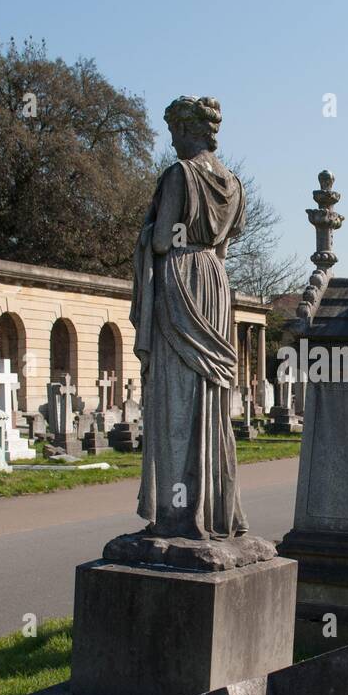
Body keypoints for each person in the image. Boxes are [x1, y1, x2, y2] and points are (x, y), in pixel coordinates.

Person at [131, 96, 247, 540]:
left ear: (189, 129)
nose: (172, 139)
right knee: (210, 400)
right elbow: (222, 248)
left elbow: (161, 241)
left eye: (175, 130)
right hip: (214, 283)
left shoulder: (181, 175)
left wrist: (147, 233)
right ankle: (215, 511)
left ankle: (179, 515)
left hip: (180, 280)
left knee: (176, 400)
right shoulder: (234, 183)